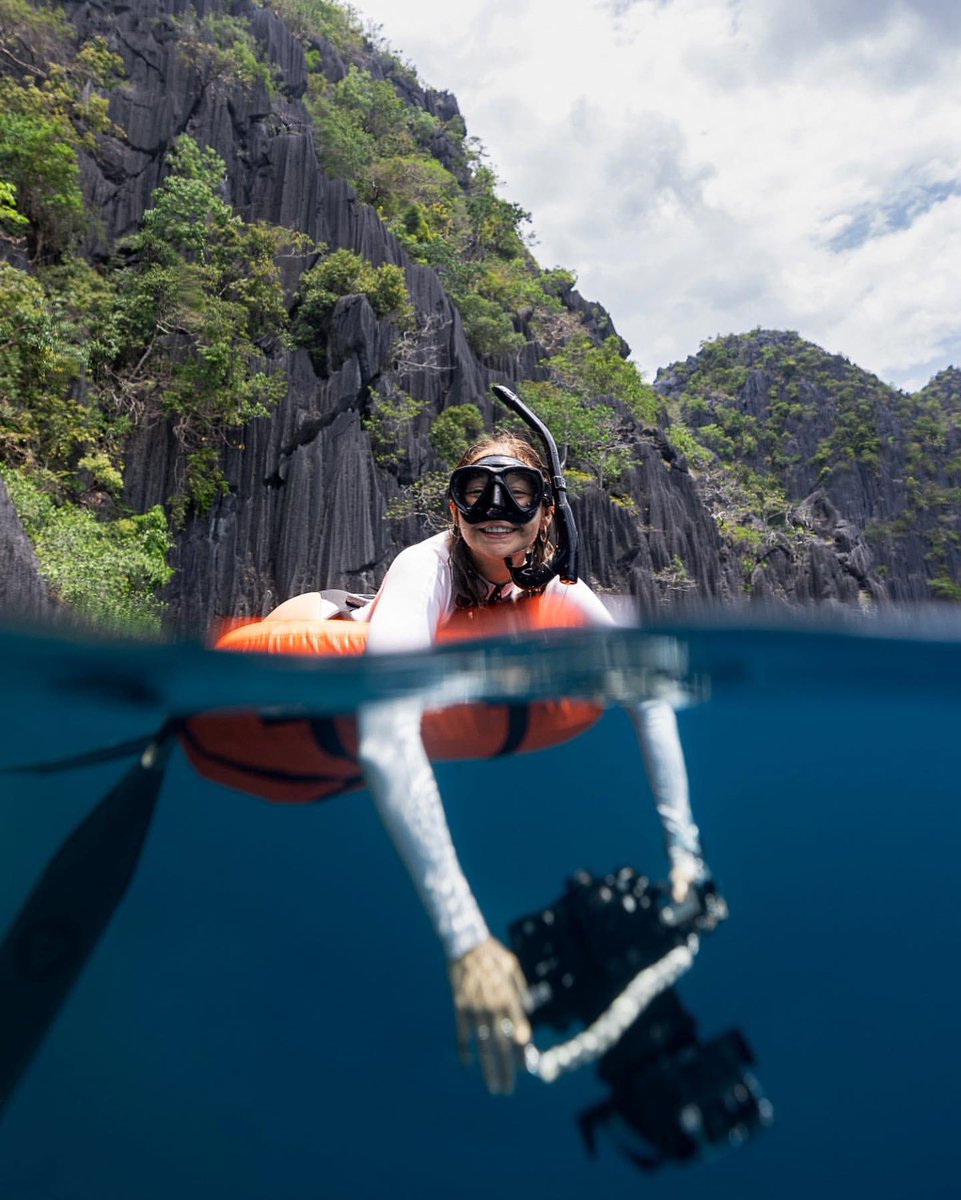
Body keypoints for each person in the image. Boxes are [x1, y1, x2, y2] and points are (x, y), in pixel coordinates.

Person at [267, 427, 707, 1095]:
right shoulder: (427, 566)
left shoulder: (560, 592)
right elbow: (387, 724)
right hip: (331, 620)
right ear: (452, 510)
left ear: (546, 511)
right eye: (476, 493)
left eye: (517, 491)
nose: (496, 508)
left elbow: (648, 695)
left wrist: (686, 858)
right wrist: (467, 940)